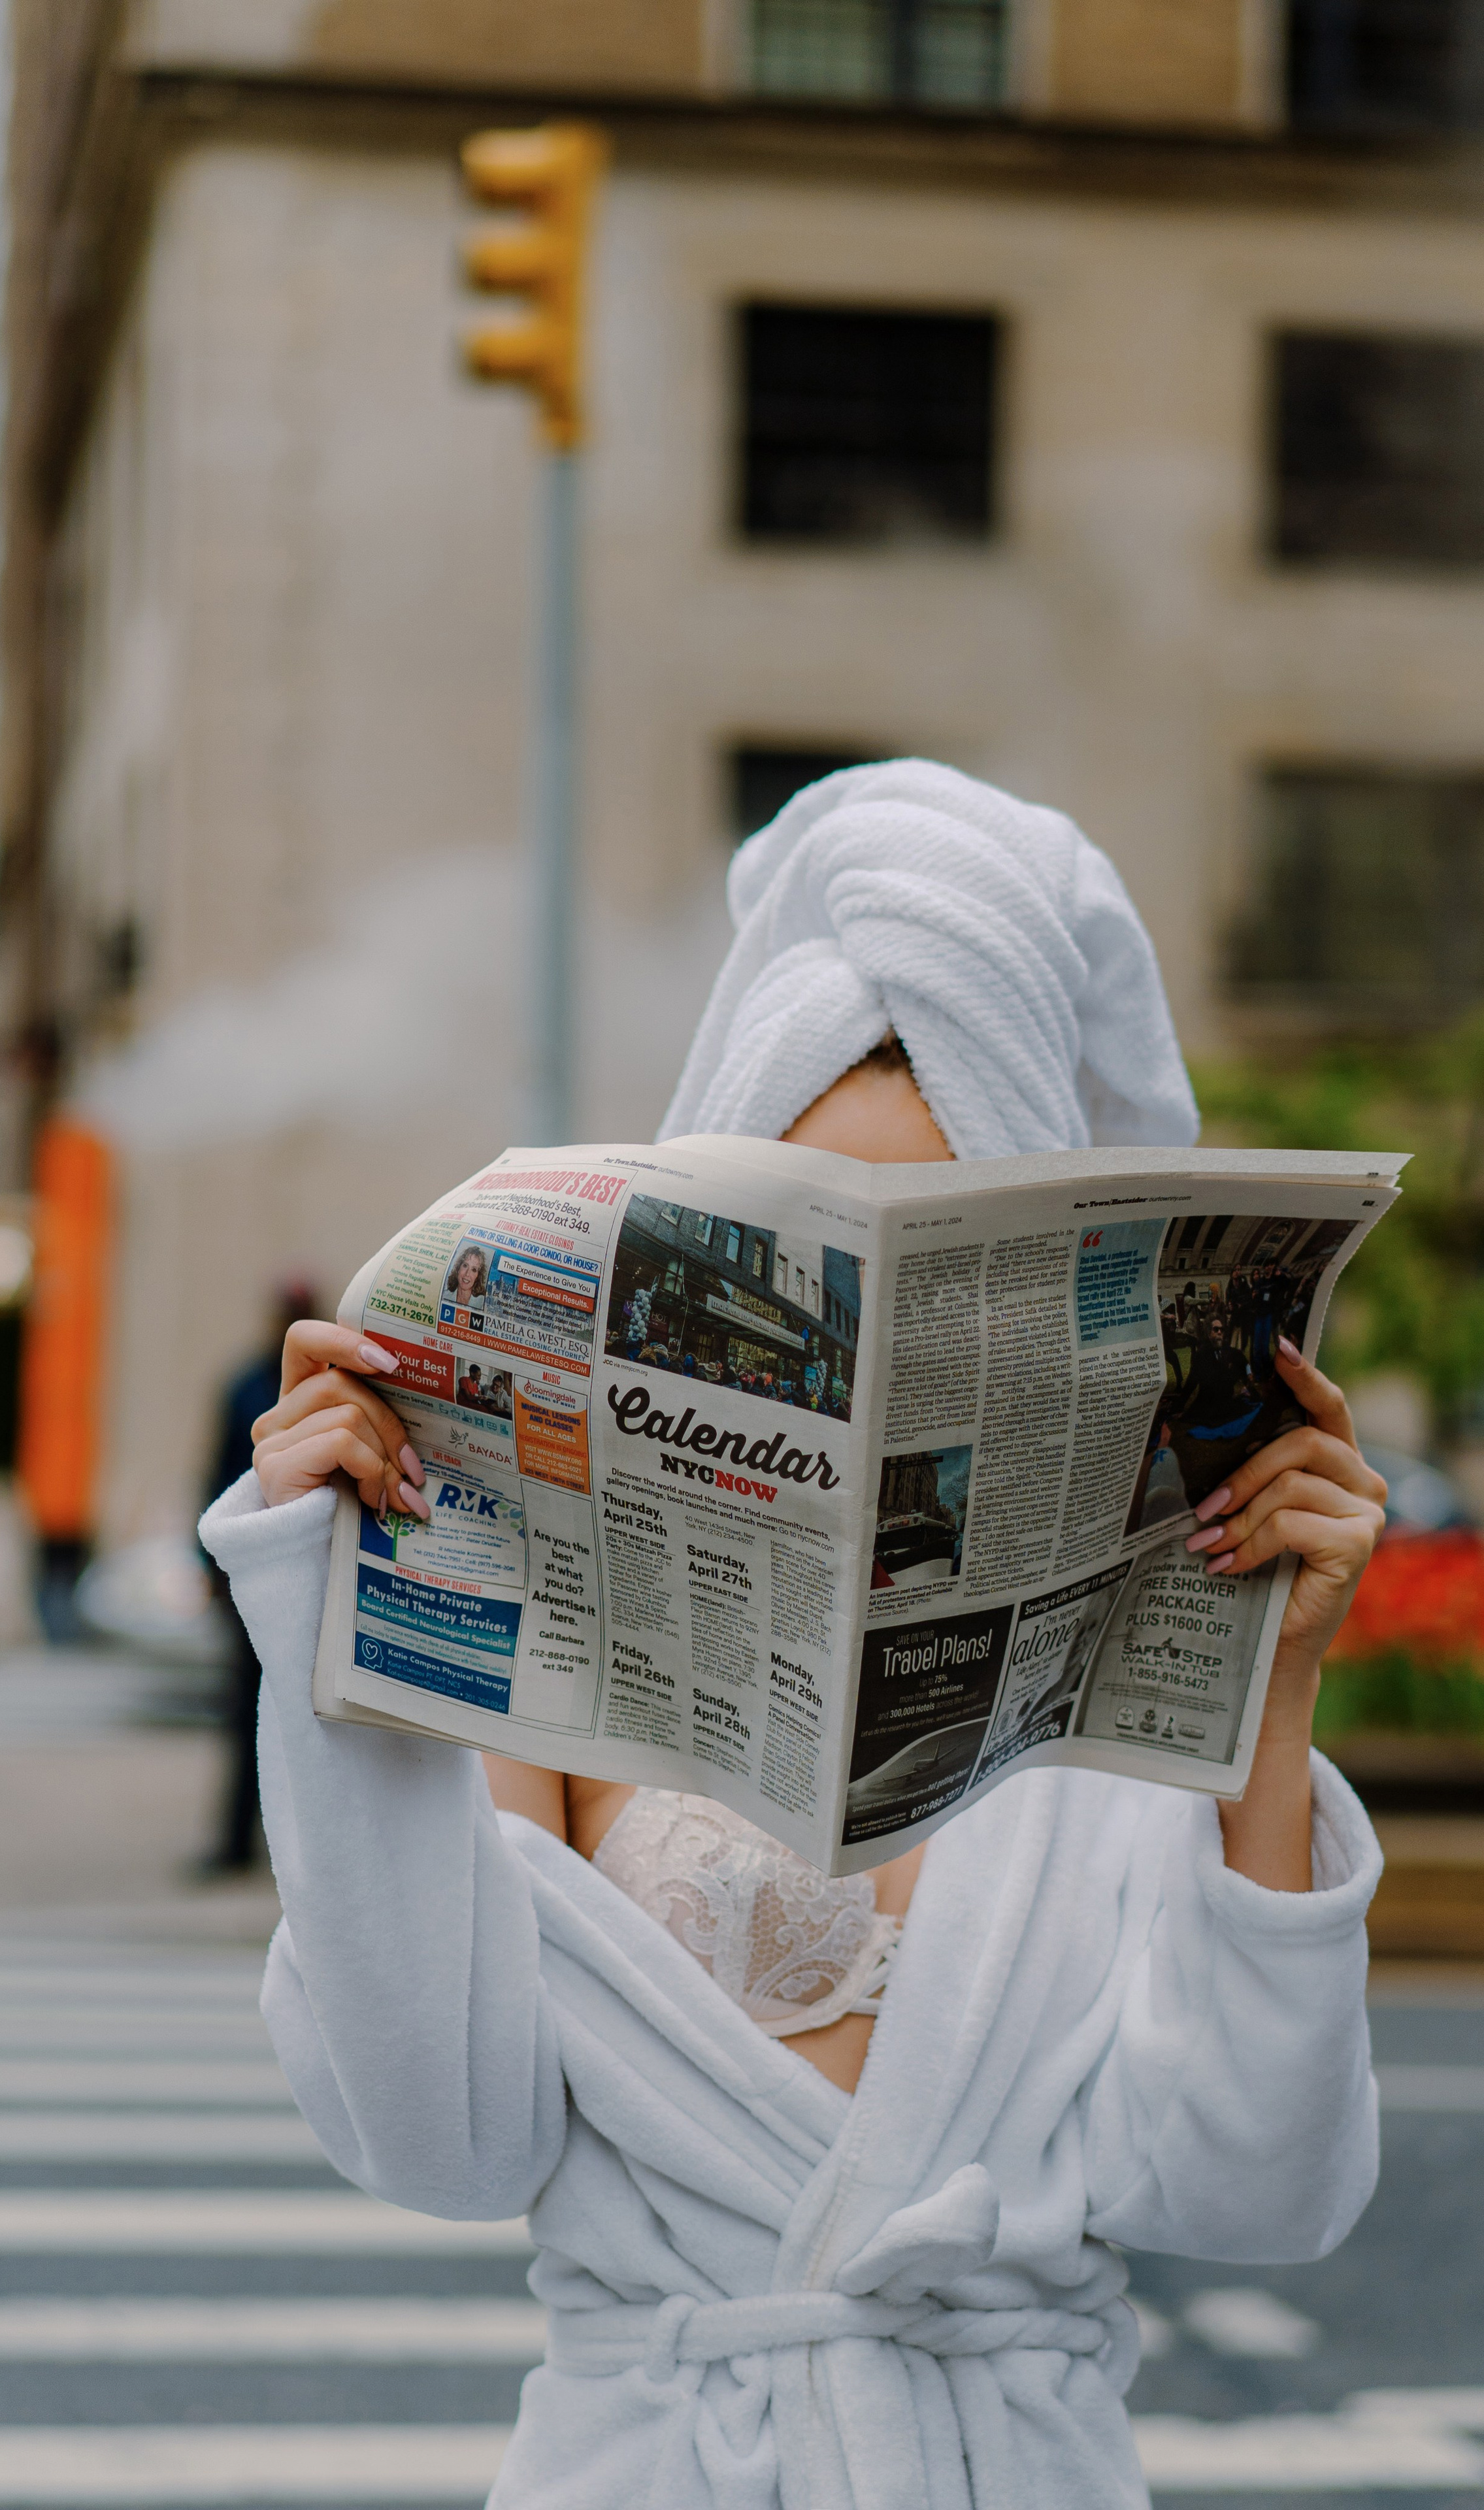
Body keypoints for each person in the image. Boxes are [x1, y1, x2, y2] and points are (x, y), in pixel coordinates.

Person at [203, 759, 1386, 2510]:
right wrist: (341, 1648)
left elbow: (1253, 2195)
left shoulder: (1142, 1646)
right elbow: (446, 2139)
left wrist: (1274, 1698)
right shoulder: (549, 1590)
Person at [199, 1276, 317, 1872]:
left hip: (310, 1569)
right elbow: (219, 1474)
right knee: (247, 1709)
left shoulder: (330, 1385)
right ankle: (237, 1839)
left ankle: (295, 1843)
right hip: (254, 1568)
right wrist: (210, 1564)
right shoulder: (247, 1385)